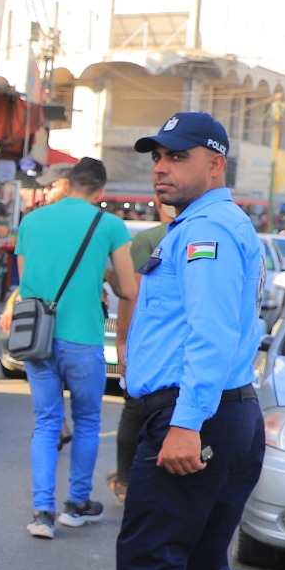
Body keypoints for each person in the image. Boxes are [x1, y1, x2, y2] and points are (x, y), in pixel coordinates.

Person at [88, 112, 264, 570]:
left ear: (214, 164)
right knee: (199, 566)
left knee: (148, 562)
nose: (161, 166)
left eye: (178, 156)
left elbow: (211, 336)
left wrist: (185, 424)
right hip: (225, 410)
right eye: (157, 155)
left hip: (197, 414)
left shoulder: (207, 231)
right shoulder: (208, 225)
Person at [6, 156, 137, 539]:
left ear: (68, 183)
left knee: (47, 423)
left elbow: (29, 279)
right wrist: (105, 275)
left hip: (37, 337)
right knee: (87, 423)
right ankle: (76, 505)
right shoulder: (109, 224)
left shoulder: (31, 221)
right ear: (100, 191)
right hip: (82, 339)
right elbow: (128, 290)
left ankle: (42, 513)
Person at [107, 201, 175, 502]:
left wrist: (123, 342)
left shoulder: (149, 239)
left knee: (134, 406)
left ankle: (124, 480)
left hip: (151, 340)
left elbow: (129, 295)